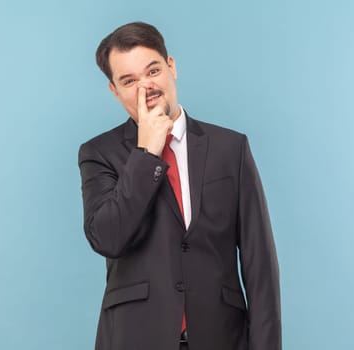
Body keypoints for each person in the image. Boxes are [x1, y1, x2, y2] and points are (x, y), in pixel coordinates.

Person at [78, 22, 281, 350]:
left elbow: (261, 267)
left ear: (171, 66)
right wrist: (146, 155)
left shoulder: (230, 148)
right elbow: (107, 237)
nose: (146, 86)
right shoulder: (99, 153)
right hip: (136, 338)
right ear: (115, 91)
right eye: (129, 81)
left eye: (153, 70)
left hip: (222, 338)